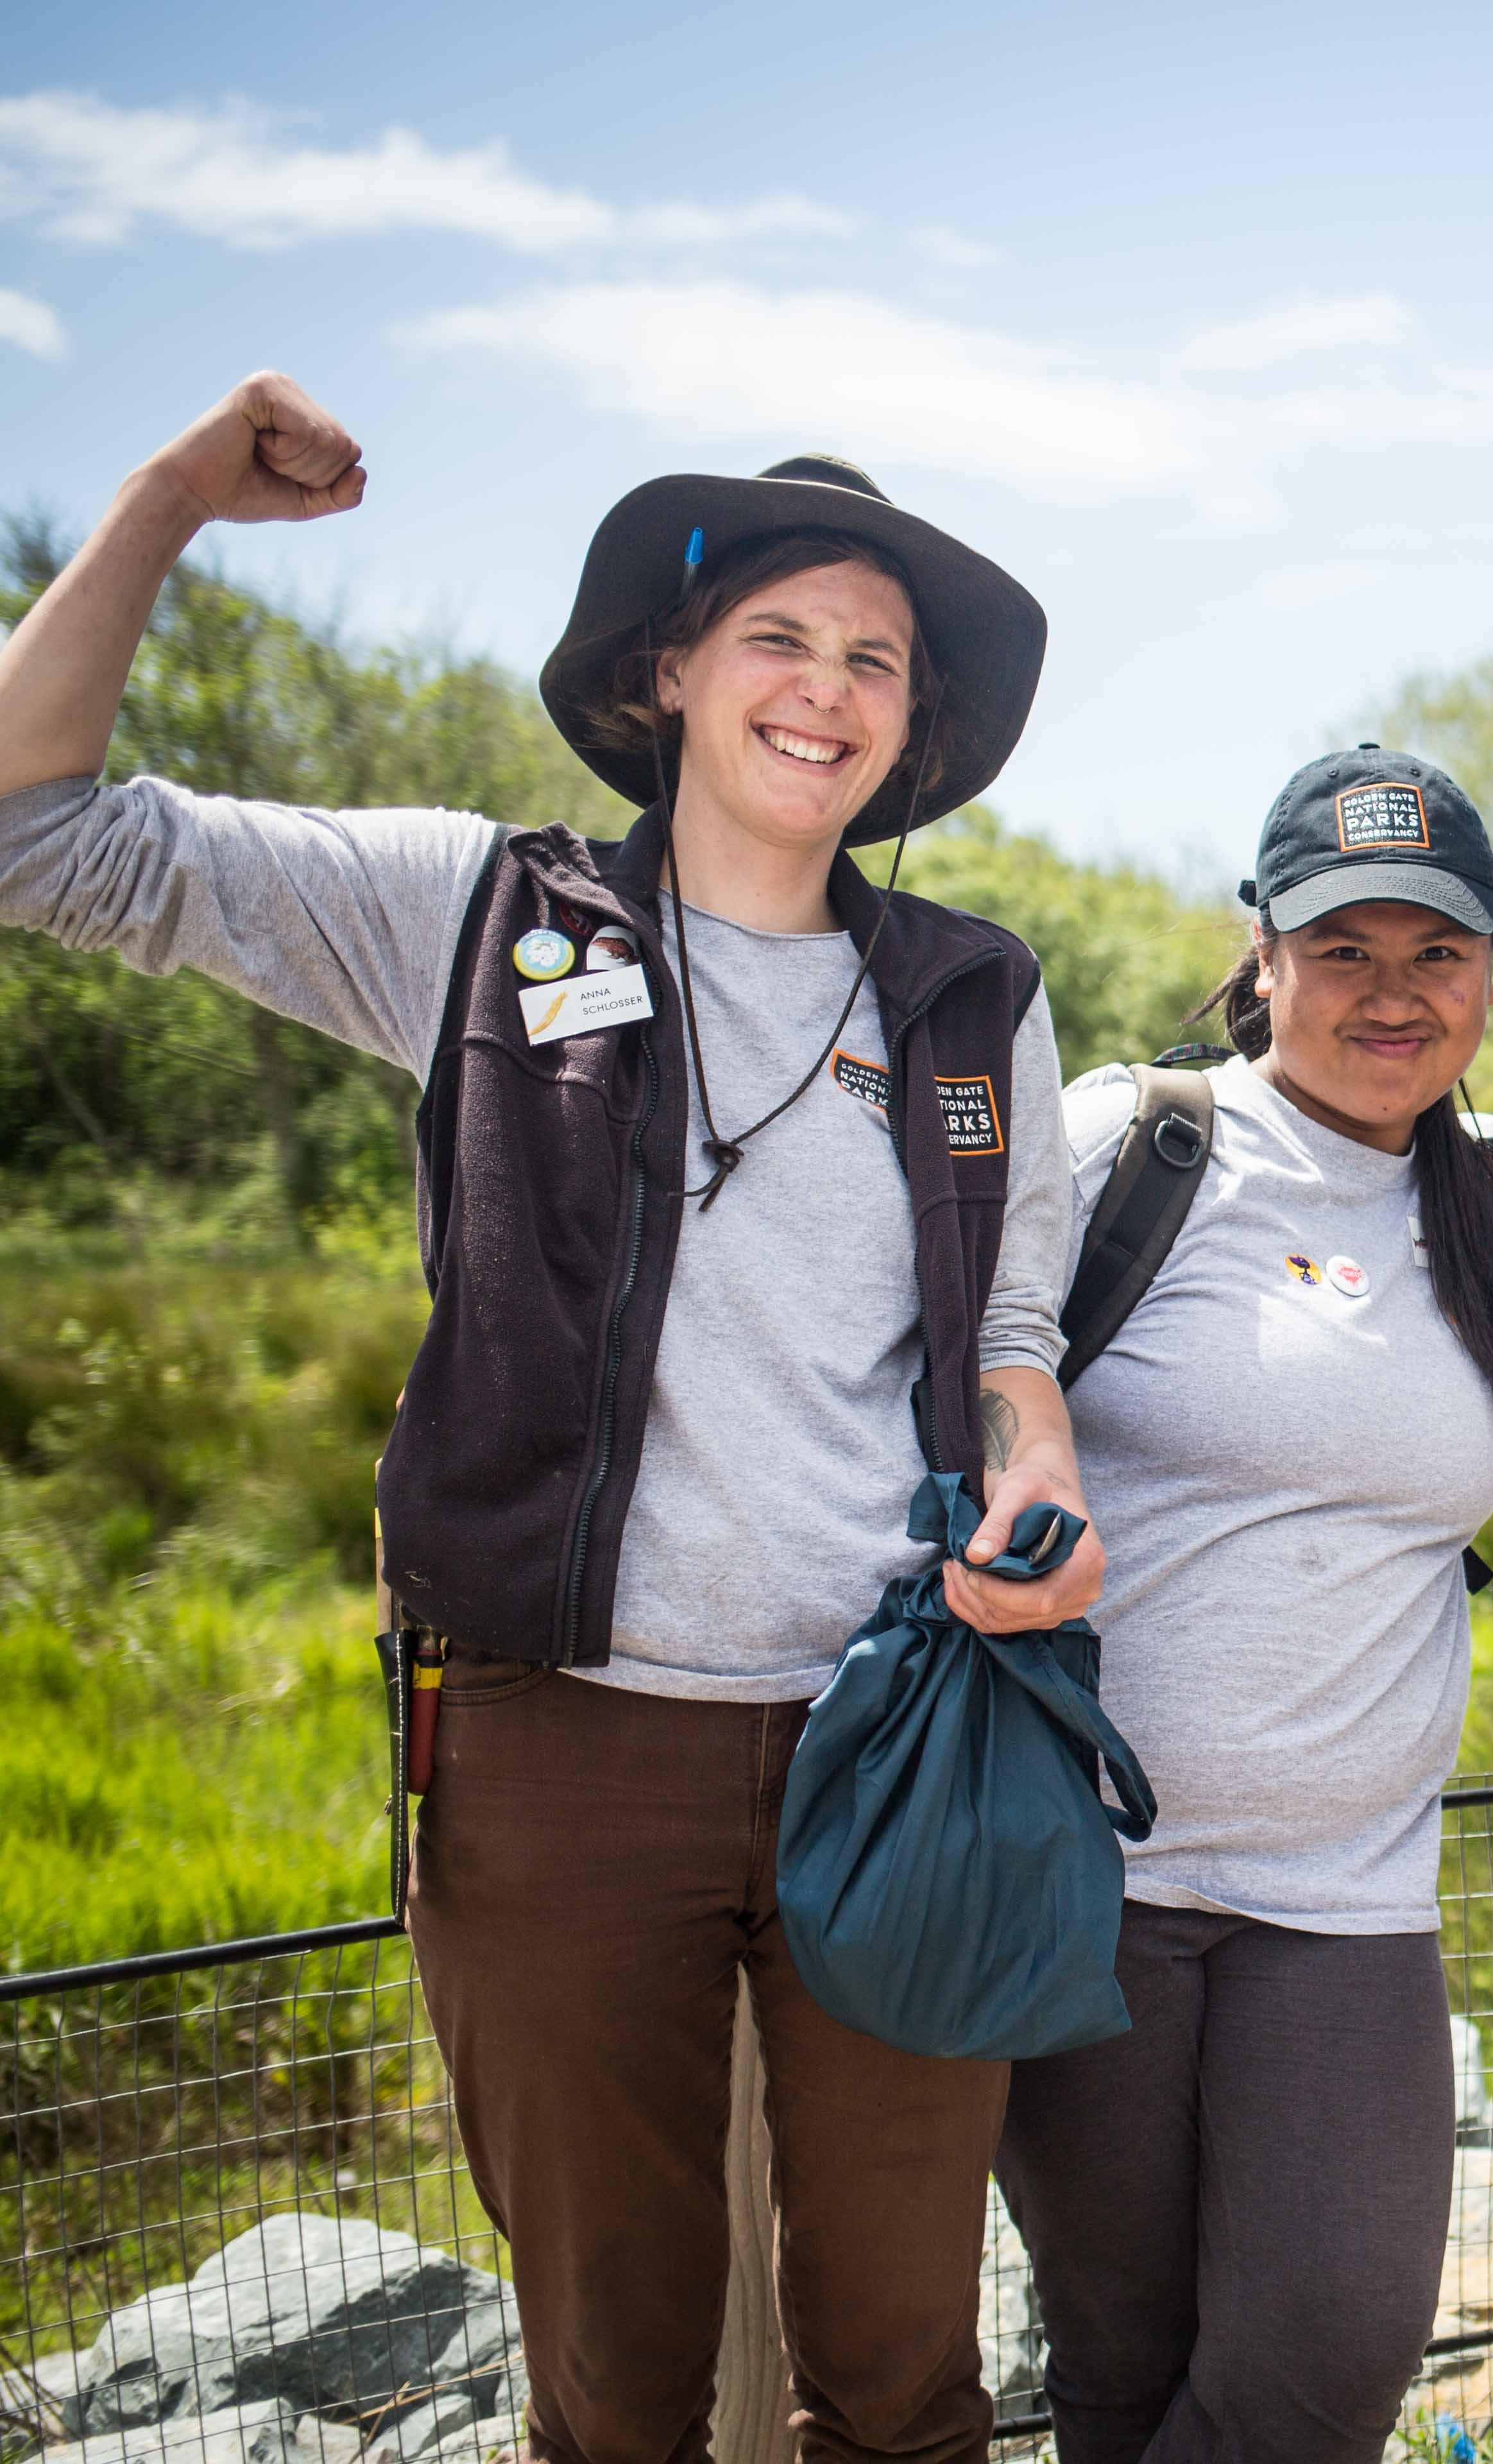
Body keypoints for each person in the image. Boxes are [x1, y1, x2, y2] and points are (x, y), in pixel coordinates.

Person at [0, 373, 1096, 2463]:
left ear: (909, 727)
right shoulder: (479, 918)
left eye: (875, 658)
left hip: (907, 1748)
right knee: (615, 2389)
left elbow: (1012, 1325)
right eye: (779, 634)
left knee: (907, 2379)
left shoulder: (977, 996)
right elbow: (28, 826)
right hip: (557, 1749)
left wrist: (1036, 1470)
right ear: (670, 672)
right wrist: (163, 500)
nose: (827, 687)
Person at [993, 746, 1493, 2464]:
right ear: (1261, 954)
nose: (1393, 994)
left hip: (1342, 1907)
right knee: (1120, 2370)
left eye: (1441, 953)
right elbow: (945, 1328)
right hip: (1079, 1884)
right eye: (1345, 948)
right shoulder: (1134, 1143)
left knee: (1327, 2367)